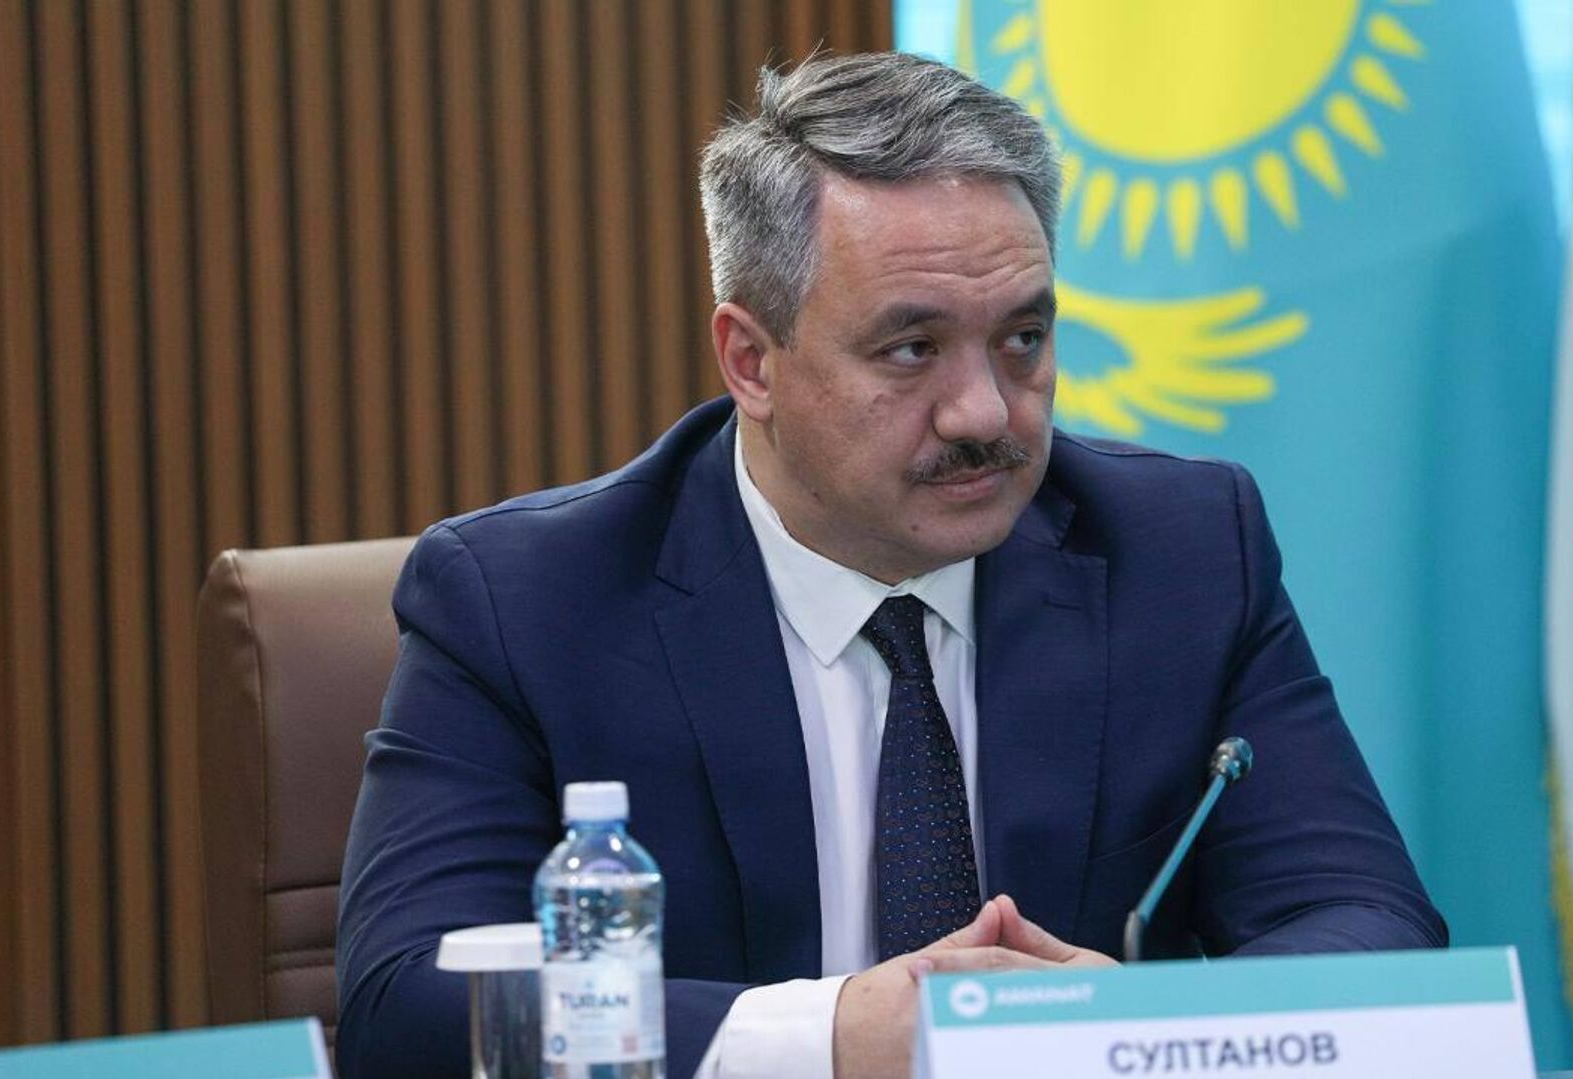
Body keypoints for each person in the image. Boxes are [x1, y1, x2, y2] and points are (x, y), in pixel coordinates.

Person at [335, 51, 1444, 1079]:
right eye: (911, 349)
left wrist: (1131, 1027)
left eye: (1023, 339)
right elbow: (406, 1002)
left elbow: (1372, 929)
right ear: (751, 360)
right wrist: (831, 1037)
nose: (985, 412)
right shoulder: (527, 602)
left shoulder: (1181, 551)